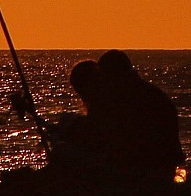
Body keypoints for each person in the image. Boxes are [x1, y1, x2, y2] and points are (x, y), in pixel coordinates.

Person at [62, 51, 184, 184]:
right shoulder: (153, 94)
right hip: (164, 168)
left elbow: (99, 135)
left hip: (139, 170)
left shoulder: (119, 100)